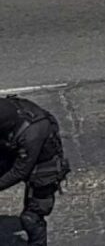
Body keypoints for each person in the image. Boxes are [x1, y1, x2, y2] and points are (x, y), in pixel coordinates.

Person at [0, 96, 71, 246]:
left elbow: (20, 172)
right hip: (11, 148)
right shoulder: (6, 110)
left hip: (43, 166)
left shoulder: (32, 134)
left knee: (31, 218)